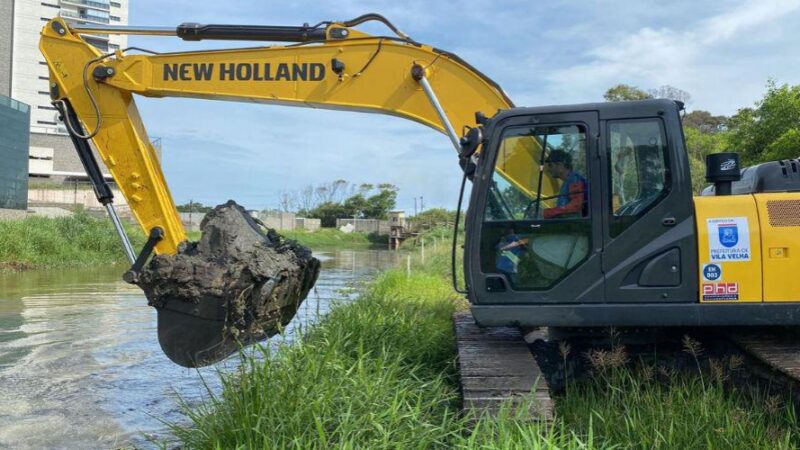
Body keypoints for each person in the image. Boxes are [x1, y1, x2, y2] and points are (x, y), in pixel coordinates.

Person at [542, 150, 588, 219]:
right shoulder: (567, 182)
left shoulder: (575, 180)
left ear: (559, 165)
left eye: (550, 165)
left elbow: (575, 207)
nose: (548, 169)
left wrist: (547, 213)